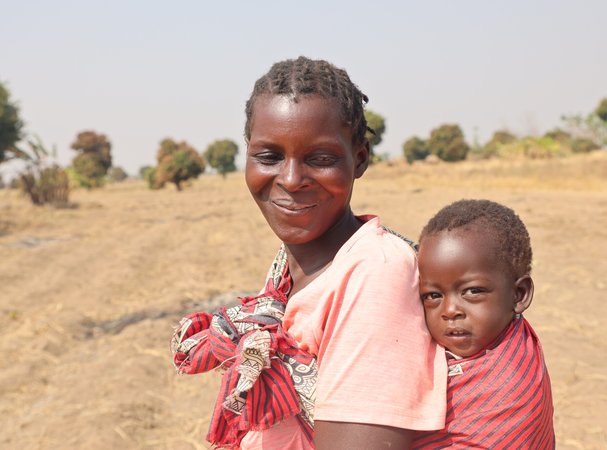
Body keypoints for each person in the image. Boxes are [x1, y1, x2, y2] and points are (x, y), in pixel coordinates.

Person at [171, 56, 447, 450]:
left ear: (361, 159)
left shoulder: (373, 273)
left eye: (320, 159)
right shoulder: (294, 265)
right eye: (269, 157)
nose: (290, 180)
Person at [412, 199, 555, 449]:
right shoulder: (499, 331)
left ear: (519, 295)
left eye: (472, 291)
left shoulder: (509, 393)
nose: (450, 311)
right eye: (433, 296)